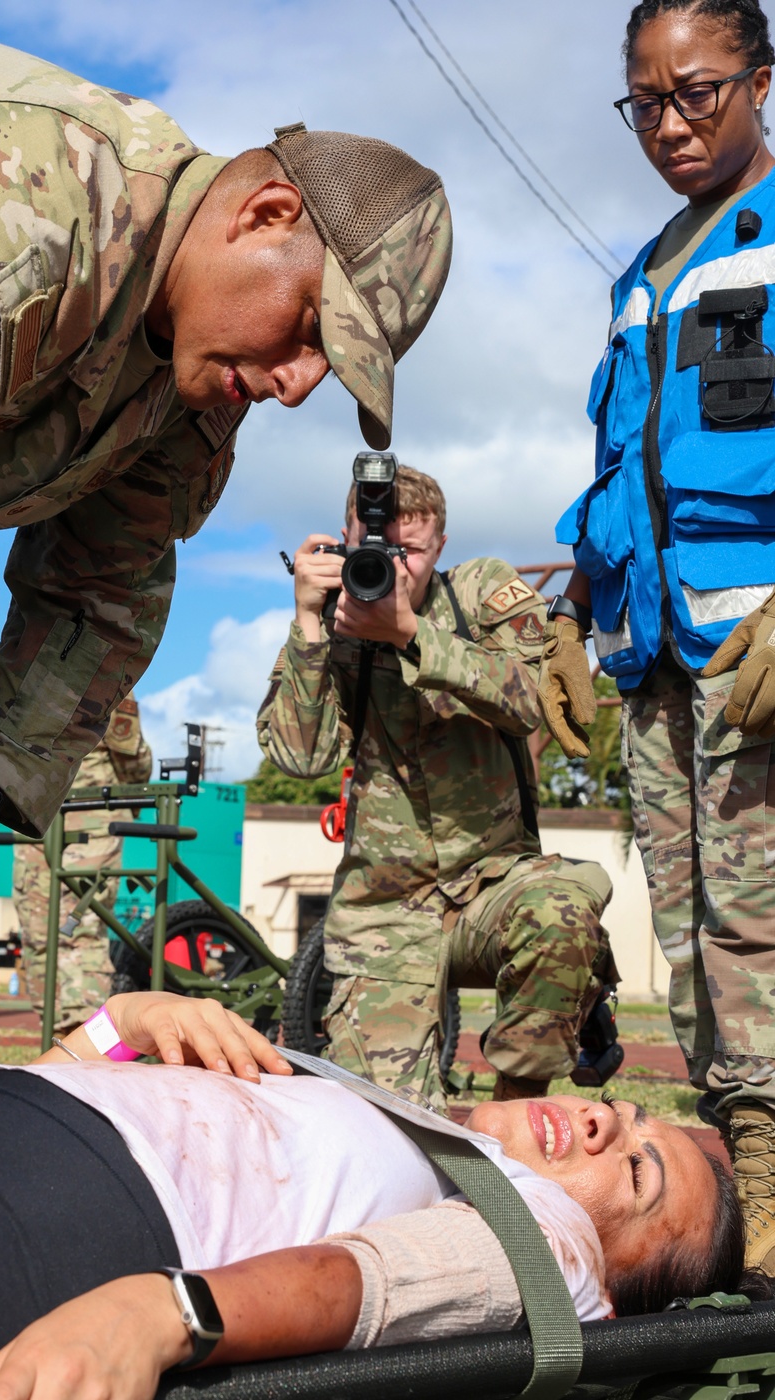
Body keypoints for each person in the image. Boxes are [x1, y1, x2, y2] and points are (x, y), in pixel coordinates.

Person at [0, 25, 453, 1112]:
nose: (295, 385)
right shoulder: (9, 217)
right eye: (308, 330)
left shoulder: (191, 396)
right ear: (264, 215)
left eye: (331, 369)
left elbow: (97, 606)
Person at [0, 991, 756, 1399]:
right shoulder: (424, 1127)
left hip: (51, 1210)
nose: (601, 1122)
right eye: (622, 1111)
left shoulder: (546, 1239)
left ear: (613, 1284)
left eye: (634, 1168)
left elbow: (385, 1279)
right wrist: (112, 1027)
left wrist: (158, 1310)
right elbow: (97, 1081)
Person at [540, 0, 775, 1273]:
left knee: (763, 922)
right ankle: (742, 1168)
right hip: (657, 661)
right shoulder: (643, 275)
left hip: (758, 663)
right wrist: (581, 610)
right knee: (688, 934)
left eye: (698, 92)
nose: (670, 124)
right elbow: (624, 470)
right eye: (645, 102)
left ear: (761, 80)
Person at [257, 464, 618, 1109]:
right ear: (345, 537)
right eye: (377, 550)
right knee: (382, 1128)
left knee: (560, 906)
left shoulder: (482, 592)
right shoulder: (331, 623)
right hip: (385, 911)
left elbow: (535, 700)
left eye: (411, 551)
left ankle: (520, 1107)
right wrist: (309, 626)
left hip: (493, 883)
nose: (393, 568)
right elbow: (299, 757)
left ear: (440, 548)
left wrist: (410, 634)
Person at [14, 697, 152, 1033]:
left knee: (77, 924)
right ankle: (54, 1029)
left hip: (85, 811)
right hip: (34, 810)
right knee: (38, 927)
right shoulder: (20, 661)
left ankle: (83, 1035)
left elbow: (128, 750)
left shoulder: (98, 658)